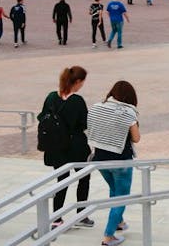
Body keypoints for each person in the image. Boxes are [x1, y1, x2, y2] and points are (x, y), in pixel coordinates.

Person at [88, 80, 140, 246]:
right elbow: (136, 138)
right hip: (121, 161)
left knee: (114, 189)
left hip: (100, 159)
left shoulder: (96, 107)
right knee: (121, 197)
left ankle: (118, 222)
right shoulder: (128, 112)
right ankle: (108, 236)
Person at [41, 66, 93, 230]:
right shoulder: (77, 100)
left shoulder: (51, 97)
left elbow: (42, 116)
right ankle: (81, 214)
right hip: (76, 145)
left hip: (56, 146)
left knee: (61, 181)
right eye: (82, 82)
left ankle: (56, 218)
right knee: (83, 179)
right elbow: (85, 123)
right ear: (77, 82)